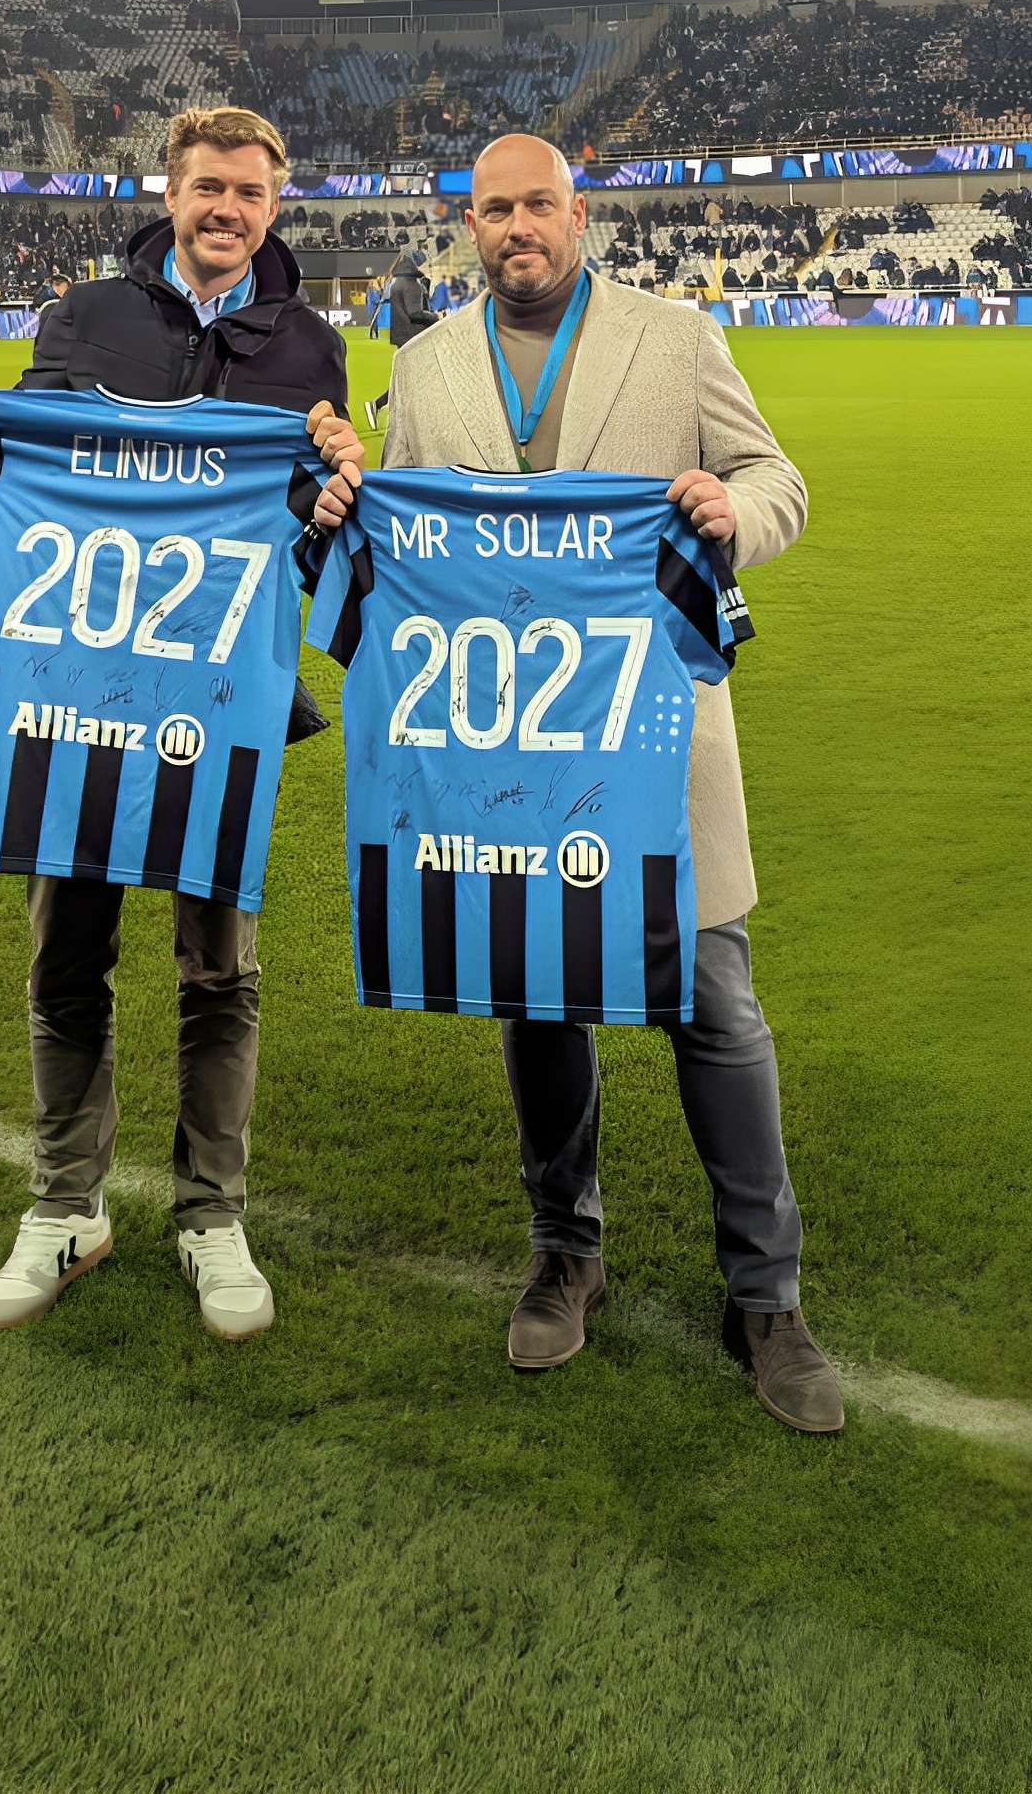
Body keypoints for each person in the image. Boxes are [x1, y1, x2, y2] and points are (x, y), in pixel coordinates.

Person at [382, 132, 842, 1434]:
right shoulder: (424, 367)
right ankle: (564, 1247)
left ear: (577, 213)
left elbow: (780, 481)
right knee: (536, 1002)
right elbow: (412, 548)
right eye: (492, 210)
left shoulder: (676, 337)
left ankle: (766, 1295)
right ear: (466, 226)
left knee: (711, 1000)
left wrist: (728, 516)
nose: (516, 225)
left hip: (658, 734)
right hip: (506, 748)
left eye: (537, 204)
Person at [0, 105, 363, 1345]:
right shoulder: (86, 315)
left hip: (224, 705)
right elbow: (24, 476)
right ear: (168, 191)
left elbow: (305, 548)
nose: (228, 209)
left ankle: (212, 1212)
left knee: (221, 970)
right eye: (208, 186)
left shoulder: (309, 347)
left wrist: (336, 486)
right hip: (75, 697)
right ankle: (67, 1204)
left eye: (251, 194)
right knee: (68, 957)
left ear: (276, 208)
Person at [363, 245, 438, 429]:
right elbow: (415, 313)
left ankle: (389, 410)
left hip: (401, 336)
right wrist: (436, 317)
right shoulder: (413, 286)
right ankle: (380, 405)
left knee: (409, 379)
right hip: (414, 337)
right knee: (417, 379)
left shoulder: (398, 284)